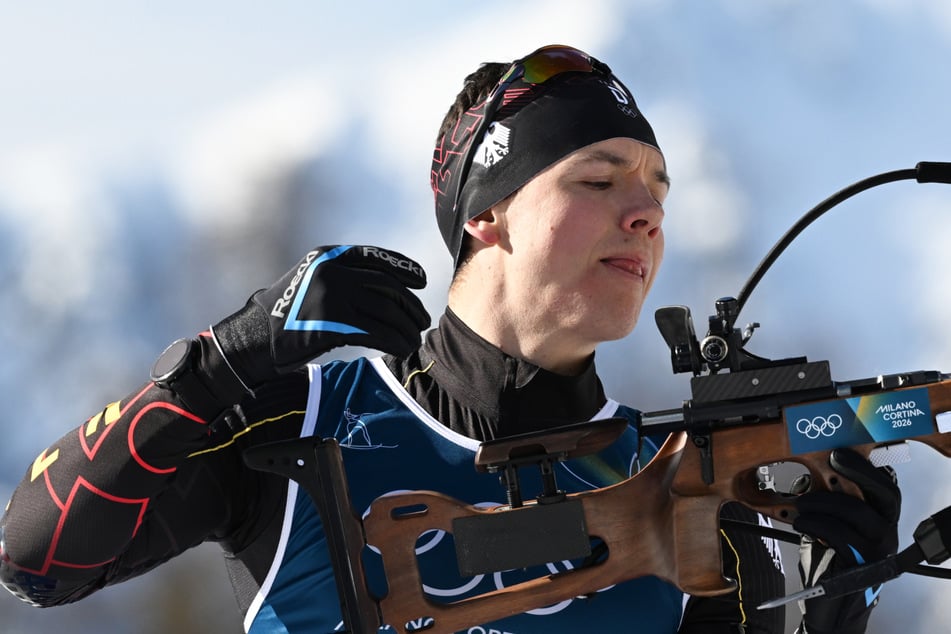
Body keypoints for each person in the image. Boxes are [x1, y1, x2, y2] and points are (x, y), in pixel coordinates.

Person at [0, 44, 900, 633]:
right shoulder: (307, 429)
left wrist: (835, 612)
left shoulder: (686, 486)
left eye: (658, 193)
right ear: (486, 214)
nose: (644, 215)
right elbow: (33, 560)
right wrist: (214, 368)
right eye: (599, 177)